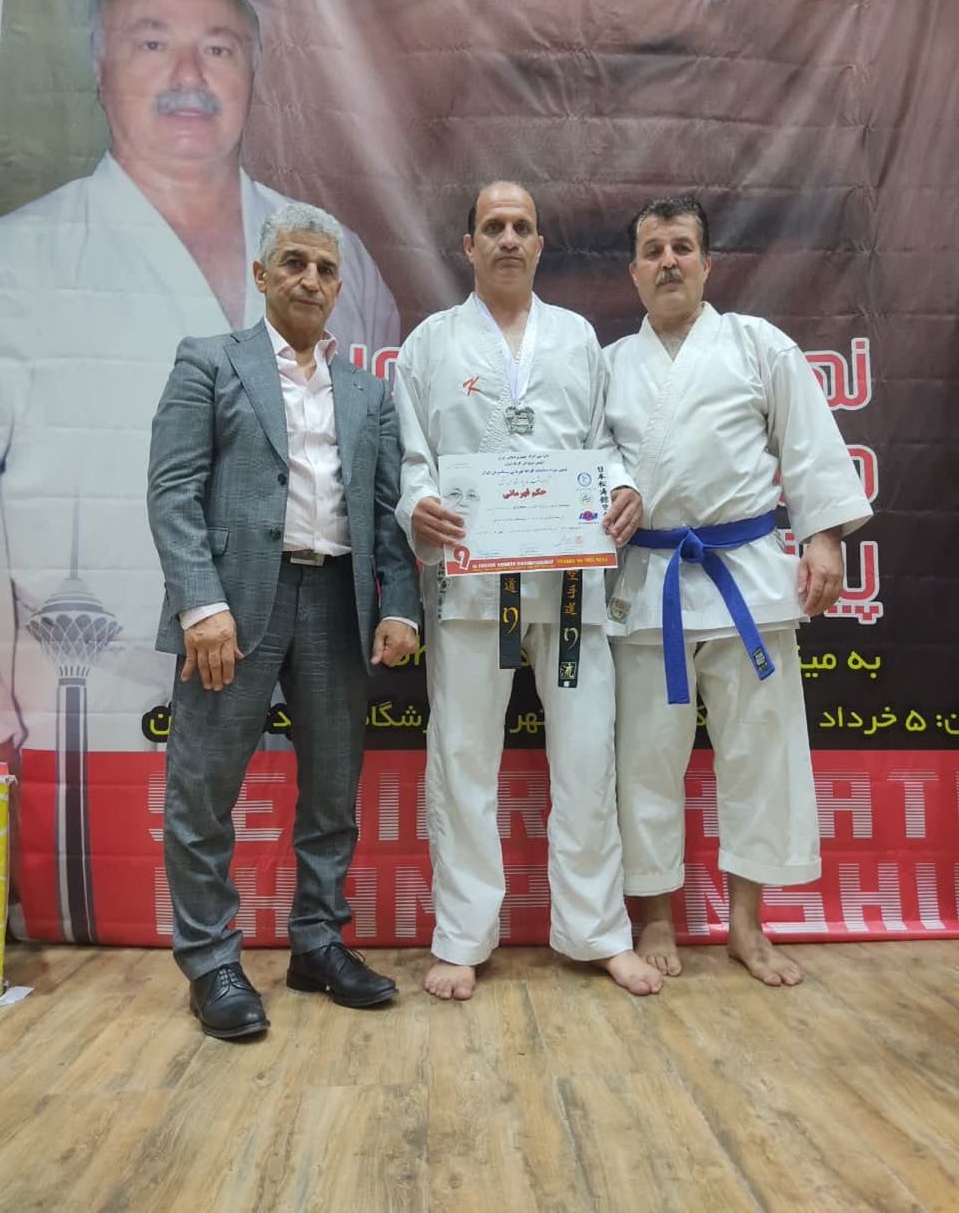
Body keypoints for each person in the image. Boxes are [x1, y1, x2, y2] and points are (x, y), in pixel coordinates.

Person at [0, 0, 398, 758]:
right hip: (88, 693)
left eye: (218, 49)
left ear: (253, 73)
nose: (189, 76)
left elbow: (383, 460)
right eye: (152, 45)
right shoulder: (19, 259)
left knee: (316, 823)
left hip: (304, 668)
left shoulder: (334, 256)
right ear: (100, 69)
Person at [147, 200, 419, 1038]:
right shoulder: (208, 362)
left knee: (333, 793)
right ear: (262, 274)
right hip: (231, 610)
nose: (310, 279)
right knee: (203, 791)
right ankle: (212, 963)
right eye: (294, 263)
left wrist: (400, 606)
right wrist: (201, 605)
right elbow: (173, 492)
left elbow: (388, 514)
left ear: (339, 288)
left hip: (338, 603)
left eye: (325, 269)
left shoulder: (367, 392)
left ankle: (317, 943)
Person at [393, 180, 662, 1001]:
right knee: (462, 760)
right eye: (493, 227)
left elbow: (604, 445)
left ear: (540, 245)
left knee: (585, 759)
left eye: (521, 227)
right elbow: (411, 460)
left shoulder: (576, 338)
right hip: (472, 591)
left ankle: (596, 931)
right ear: (468, 245)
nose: (507, 239)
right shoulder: (428, 344)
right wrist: (417, 505)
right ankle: (462, 936)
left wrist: (623, 487)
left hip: (570, 587)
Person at [604, 195, 872, 986]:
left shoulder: (758, 345)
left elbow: (809, 445)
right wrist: (614, 484)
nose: (668, 262)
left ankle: (746, 924)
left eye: (681, 247)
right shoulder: (609, 363)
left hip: (745, 578)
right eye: (653, 250)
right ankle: (656, 916)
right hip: (648, 584)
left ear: (706, 263)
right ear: (633, 271)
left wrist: (822, 536)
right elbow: (592, 452)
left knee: (759, 755)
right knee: (645, 760)